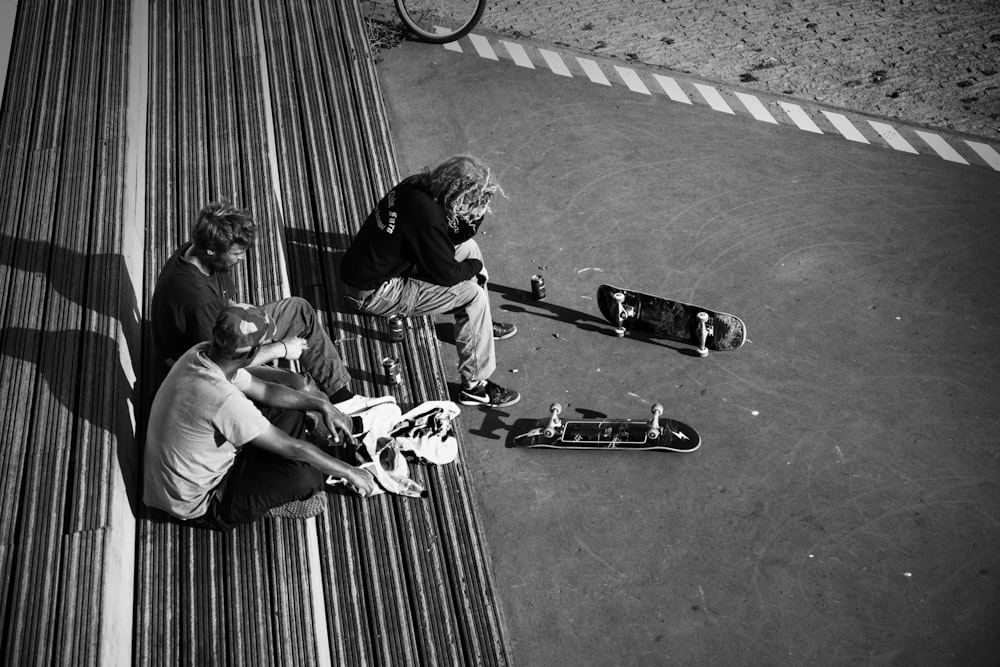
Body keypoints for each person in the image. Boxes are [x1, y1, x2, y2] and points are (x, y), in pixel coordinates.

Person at [143, 303, 377, 530]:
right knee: (306, 477)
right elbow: (292, 448)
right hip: (202, 503)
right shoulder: (223, 399)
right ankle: (264, 502)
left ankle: (265, 477)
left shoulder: (204, 355)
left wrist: (321, 405)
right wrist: (348, 471)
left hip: (185, 474)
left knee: (289, 408)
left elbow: (265, 391)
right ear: (252, 353)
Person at [151, 201, 386, 414]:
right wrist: (281, 349)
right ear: (211, 250)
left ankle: (342, 398)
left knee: (298, 311)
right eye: (236, 253)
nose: (242, 259)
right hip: (205, 369)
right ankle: (333, 428)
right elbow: (220, 363)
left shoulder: (198, 253)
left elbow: (231, 305)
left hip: (227, 332)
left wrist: (258, 327)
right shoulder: (196, 299)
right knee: (297, 386)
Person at [340, 155, 520, 408]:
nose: (476, 209)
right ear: (458, 198)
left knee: (469, 248)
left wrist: (471, 226)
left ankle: (479, 327)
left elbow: (454, 237)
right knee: (472, 294)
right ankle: (475, 386)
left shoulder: (416, 185)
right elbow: (445, 274)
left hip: (368, 268)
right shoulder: (429, 218)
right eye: (473, 204)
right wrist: (476, 267)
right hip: (372, 294)